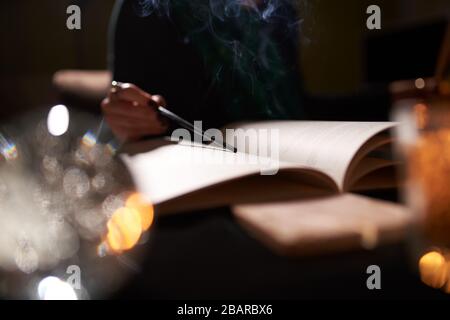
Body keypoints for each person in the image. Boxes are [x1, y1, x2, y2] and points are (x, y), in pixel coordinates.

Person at [101, 0, 305, 142]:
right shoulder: (147, 9)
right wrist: (127, 119)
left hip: (293, 164)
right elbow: (128, 113)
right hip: (203, 181)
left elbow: (295, 100)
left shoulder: (280, 10)